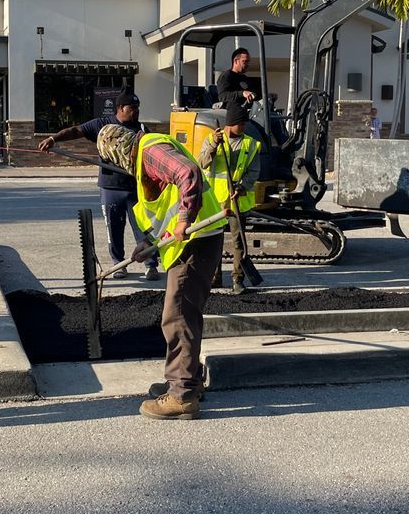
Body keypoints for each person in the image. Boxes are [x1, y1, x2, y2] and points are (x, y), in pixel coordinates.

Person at [96, 124, 227, 420]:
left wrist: (184, 218)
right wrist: (148, 243)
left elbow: (188, 173)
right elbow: (163, 208)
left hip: (197, 238)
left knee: (177, 315)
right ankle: (186, 380)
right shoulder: (145, 158)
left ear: (116, 150)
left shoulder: (150, 150)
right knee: (185, 313)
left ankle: (181, 396)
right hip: (192, 240)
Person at [37, 89, 159, 281]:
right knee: (114, 229)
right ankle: (119, 265)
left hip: (136, 188)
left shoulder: (142, 129)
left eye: (138, 108)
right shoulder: (103, 125)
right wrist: (53, 139)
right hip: (111, 188)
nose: (136, 111)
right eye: (132, 108)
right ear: (120, 108)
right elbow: (76, 130)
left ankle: (151, 265)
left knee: (143, 228)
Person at [197, 103, 261, 295]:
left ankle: (237, 280)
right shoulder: (211, 139)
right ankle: (214, 278)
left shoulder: (250, 144)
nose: (244, 127)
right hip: (215, 201)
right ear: (230, 124)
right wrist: (215, 146)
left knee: (238, 243)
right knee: (213, 242)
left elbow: (254, 171)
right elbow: (202, 162)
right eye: (241, 124)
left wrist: (242, 187)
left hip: (237, 202)